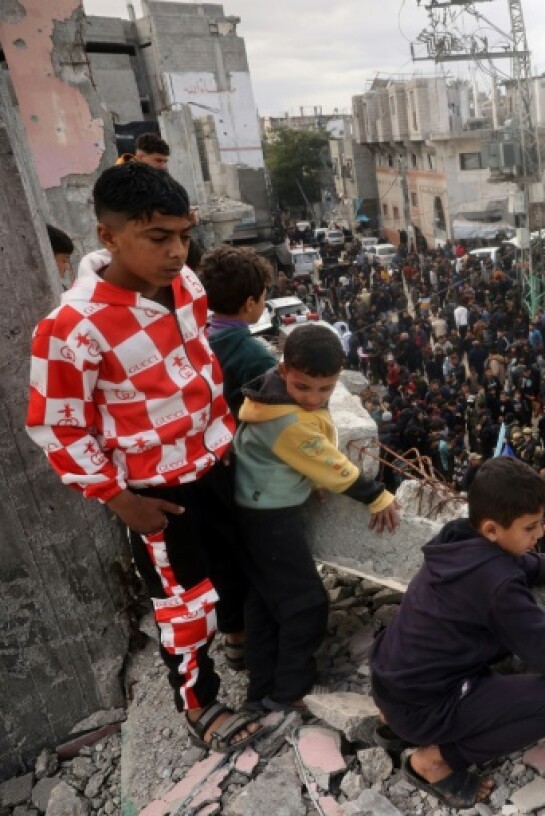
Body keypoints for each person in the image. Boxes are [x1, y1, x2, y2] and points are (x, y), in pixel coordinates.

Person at [25, 162, 261, 753]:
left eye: (184, 235)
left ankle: (237, 637)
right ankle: (199, 702)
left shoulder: (190, 288)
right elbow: (57, 426)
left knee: (233, 563)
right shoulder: (71, 327)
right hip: (158, 490)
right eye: (159, 237)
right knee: (182, 600)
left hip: (216, 464)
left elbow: (198, 370)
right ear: (108, 236)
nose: (177, 251)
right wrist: (119, 498)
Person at [369, 457, 545, 808]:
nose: (540, 534)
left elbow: (508, 559)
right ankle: (436, 761)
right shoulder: (496, 585)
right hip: (427, 707)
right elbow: (542, 643)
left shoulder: (458, 537)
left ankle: (392, 722)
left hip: (393, 683)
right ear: (490, 529)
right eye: (530, 528)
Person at [232, 325, 399, 710]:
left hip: (255, 509)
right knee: (305, 603)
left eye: (324, 390)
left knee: (264, 601)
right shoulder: (288, 421)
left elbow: (303, 458)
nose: (313, 398)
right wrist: (376, 495)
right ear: (285, 369)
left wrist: (306, 477)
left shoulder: (270, 394)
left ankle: (262, 690)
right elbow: (332, 465)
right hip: (269, 518)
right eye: (304, 387)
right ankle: (289, 690)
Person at [197, 246, 278, 416]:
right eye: (263, 296)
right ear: (250, 304)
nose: (264, 303)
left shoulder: (197, 338)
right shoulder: (257, 359)